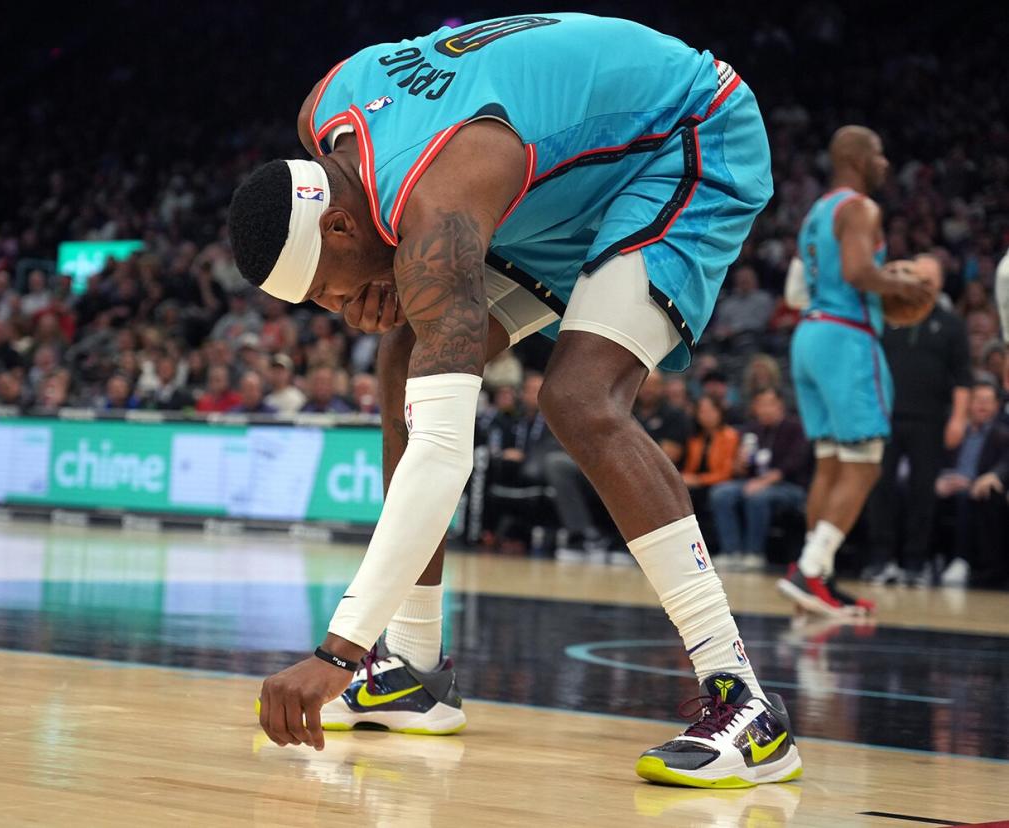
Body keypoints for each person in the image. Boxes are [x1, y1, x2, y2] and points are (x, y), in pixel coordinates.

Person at [232, 14, 797, 787]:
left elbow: (442, 451)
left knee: (579, 397)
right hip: (562, 174)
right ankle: (415, 669)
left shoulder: (439, 210)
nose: (343, 307)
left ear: (338, 223)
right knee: (402, 353)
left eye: (330, 290)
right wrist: (376, 271)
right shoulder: (323, 109)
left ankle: (746, 701)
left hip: (682, 137)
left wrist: (339, 649)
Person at [780, 126, 934, 616]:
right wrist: (907, 287)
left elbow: (794, 292)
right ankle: (809, 570)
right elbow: (858, 272)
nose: (887, 164)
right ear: (859, 158)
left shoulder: (814, 214)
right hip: (847, 336)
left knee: (830, 462)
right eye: (881, 154)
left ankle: (815, 579)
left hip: (808, 334)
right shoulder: (862, 208)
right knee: (866, 461)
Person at [866, 254, 972, 585]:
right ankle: (881, 561)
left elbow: (963, 378)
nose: (920, 284)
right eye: (915, 277)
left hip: (930, 420)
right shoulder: (884, 315)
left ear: (938, 284)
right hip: (884, 418)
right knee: (878, 489)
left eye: (927, 279)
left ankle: (915, 563)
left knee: (921, 493)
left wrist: (958, 419)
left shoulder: (951, 323)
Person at [708, 388, 809, 570]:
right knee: (721, 493)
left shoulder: (796, 428)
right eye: (760, 405)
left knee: (758, 496)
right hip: (754, 481)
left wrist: (764, 482)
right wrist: (739, 463)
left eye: (769, 404)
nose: (765, 409)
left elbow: (795, 463)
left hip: (789, 485)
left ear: (780, 406)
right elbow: (744, 468)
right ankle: (731, 552)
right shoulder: (751, 429)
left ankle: (754, 553)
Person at [932, 382, 1009, 587]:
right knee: (920, 493)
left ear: (996, 405)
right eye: (977, 400)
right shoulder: (955, 430)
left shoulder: (1002, 434)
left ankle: (962, 560)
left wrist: (989, 476)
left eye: (987, 401)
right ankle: (917, 561)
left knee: (970, 498)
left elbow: (1005, 463)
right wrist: (939, 479)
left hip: (977, 487)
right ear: (968, 404)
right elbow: (935, 460)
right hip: (949, 483)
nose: (982, 406)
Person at [682, 394, 740, 547]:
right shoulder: (695, 438)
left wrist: (699, 480)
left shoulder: (730, 436)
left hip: (720, 483)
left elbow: (726, 473)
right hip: (698, 483)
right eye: (702, 411)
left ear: (720, 412)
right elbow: (690, 468)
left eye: (711, 410)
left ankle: (727, 547)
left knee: (715, 495)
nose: (706, 415)